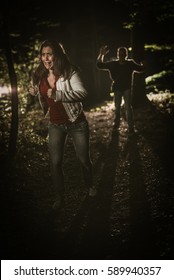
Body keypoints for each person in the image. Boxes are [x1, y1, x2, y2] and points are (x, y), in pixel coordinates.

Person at [28, 39, 97, 211]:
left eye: (49, 54)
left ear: (57, 55)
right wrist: (34, 92)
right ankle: (60, 197)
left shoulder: (69, 71)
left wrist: (59, 94)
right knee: (55, 162)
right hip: (55, 124)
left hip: (76, 122)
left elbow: (82, 92)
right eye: (43, 54)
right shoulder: (39, 74)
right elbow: (41, 94)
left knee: (84, 160)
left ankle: (90, 186)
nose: (46, 58)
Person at [96, 46, 144, 134]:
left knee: (128, 108)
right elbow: (99, 65)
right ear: (118, 55)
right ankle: (116, 125)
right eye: (119, 54)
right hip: (117, 89)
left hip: (127, 89)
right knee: (117, 108)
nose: (121, 55)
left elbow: (141, 69)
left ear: (126, 55)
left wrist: (144, 64)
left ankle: (131, 128)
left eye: (123, 54)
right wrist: (101, 55)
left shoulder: (130, 63)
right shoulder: (113, 64)